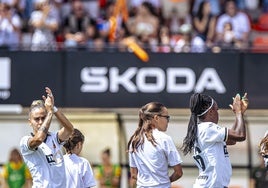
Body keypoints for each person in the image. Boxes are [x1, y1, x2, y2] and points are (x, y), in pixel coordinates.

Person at [181, 93, 249, 188]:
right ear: (211, 111)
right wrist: (238, 113)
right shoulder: (208, 128)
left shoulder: (201, 129)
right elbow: (240, 135)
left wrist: (240, 114)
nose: (218, 113)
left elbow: (233, 140)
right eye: (217, 109)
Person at [19, 87, 74, 188]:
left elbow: (69, 129)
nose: (40, 122)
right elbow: (39, 139)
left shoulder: (54, 137)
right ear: (30, 122)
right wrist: (49, 113)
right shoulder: (25, 141)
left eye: (43, 118)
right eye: (37, 119)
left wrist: (54, 109)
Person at [128, 102, 183, 187]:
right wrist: (165, 181)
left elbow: (133, 175)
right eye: (167, 117)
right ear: (156, 118)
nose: (168, 121)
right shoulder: (165, 139)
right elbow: (178, 173)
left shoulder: (134, 141)